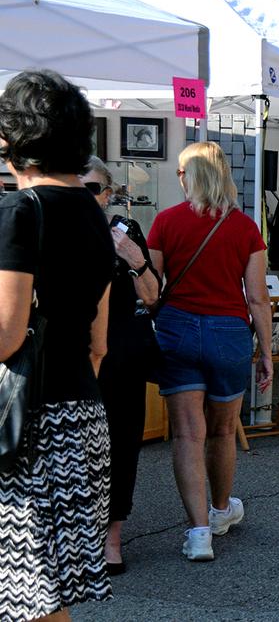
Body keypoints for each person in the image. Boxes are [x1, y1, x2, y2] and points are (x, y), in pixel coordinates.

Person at [0, 70, 116, 620]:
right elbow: (99, 340)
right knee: (46, 596)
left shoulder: (21, 211)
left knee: (29, 598)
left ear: (16, 139)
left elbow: (5, 334)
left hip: (27, 423)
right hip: (82, 412)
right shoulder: (96, 214)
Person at [148, 141, 272, 561]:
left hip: (176, 329)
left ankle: (199, 533)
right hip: (229, 332)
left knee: (186, 433)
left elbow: (150, 291)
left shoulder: (164, 223)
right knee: (222, 431)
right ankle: (220, 511)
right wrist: (268, 353)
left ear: (189, 176)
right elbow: (257, 299)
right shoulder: (245, 228)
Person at [81, 157, 161, 576]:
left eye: (94, 189)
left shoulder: (124, 232)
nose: (87, 197)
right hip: (69, 357)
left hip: (120, 356)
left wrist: (135, 259)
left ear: (109, 194)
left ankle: (111, 538)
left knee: (122, 447)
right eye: (78, 188)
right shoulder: (50, 230)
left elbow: (152, 297)